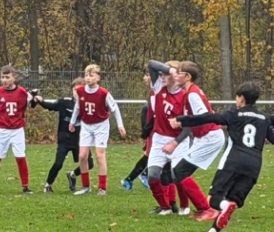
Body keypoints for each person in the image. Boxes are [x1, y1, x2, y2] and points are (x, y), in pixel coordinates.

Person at [176, 84, 274, 232]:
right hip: (254, 166)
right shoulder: (264, 118)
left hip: (233, 161)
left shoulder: (234, 114)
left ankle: (224, 206)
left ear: (242, 98)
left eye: (237, 97)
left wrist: (181, 120)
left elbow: (208, 118)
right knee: (231, 204)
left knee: (214, 201)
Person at [164, 61, 222, 219]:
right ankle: (201, 208)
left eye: (179, 73)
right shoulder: (190, 92)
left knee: (180, 171)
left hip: (209, 137)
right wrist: (183, 121)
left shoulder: (192, 94)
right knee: (180, 172)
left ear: (188, 76)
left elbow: (203, 116)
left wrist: (181, 121)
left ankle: (206, 209)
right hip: (204, 137)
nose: (176, 76)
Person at [70, 64, 125, 194]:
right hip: (86, 125)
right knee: (82, 156)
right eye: (86, 75)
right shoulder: (80, 91)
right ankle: (85, 187)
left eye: (91, 75)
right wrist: (72, 122)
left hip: (101, 126)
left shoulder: (104, 93)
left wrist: (120, 125)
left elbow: (115, 109)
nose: (88, 78)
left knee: (100, 155)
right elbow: (77, 107)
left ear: (98, 78)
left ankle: (102, 187)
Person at [123, 59, 174, 196]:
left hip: (160, 129)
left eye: (147, 75)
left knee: (156, 156)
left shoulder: (161, 89)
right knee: (151, 155)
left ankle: (138, 177)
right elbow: (151, 112)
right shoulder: (156, 89)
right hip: (156, 130)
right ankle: (134, 177)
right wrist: (147, 130)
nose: (145, 78)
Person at [0, 65, 34, 194]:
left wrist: (35, 97)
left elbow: (32, 103)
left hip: (17, 130)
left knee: (20, 157)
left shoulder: (22, 92)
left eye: (7, 77)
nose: (4, 80)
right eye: (2, 77)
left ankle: (25, 186)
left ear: (14, 78)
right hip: (1, 130)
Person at [37, 82, 84, 191]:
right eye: (75, 89)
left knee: (89, 164)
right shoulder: (64, 103)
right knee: (58, 164)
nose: (77, 92)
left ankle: (72, 175)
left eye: (80, 90)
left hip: (79, 140)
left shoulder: (87, 105)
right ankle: (48, 185)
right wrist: (40, 101)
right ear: (72, 90)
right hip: (64, 140)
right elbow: (49, 106)